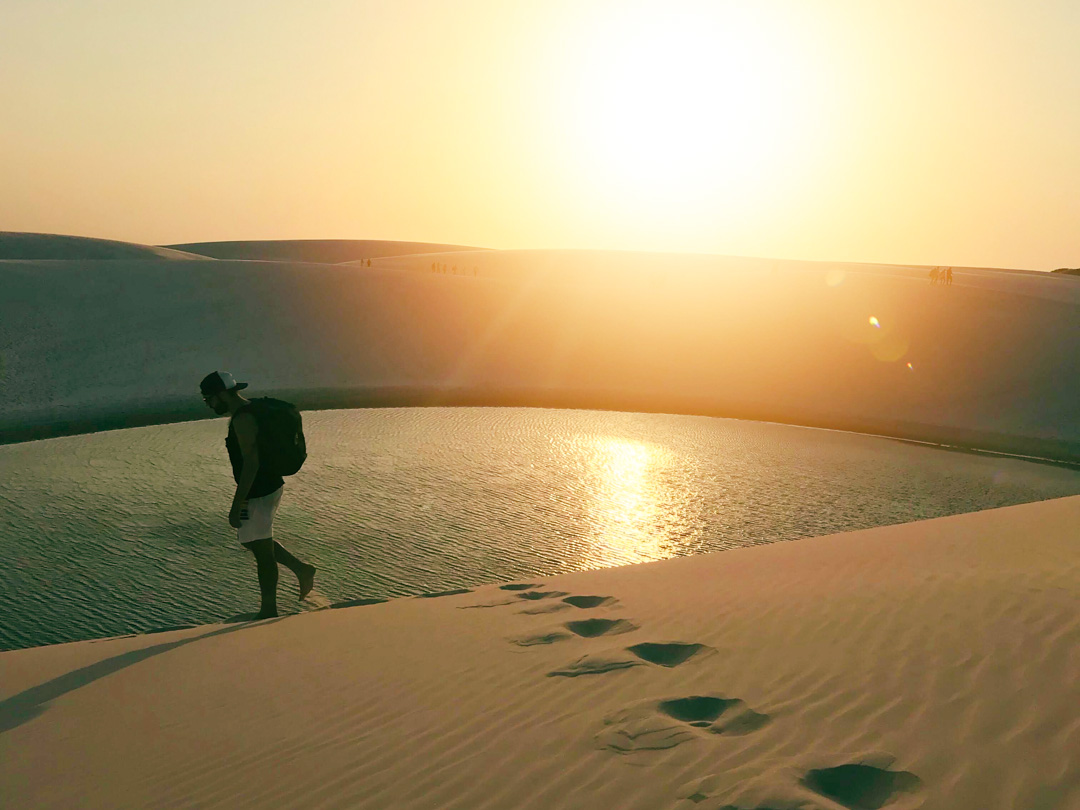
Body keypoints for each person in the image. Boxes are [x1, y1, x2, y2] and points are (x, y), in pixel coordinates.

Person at [200, 371, 315, 619]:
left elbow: (251, 463)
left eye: (209, 399)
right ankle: (301, 568)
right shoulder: (251, 410)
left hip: (260, 492)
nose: (209, 404)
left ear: (221, 395)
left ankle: (269, 610)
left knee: (262, 553)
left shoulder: (243, 419)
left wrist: (237, 503)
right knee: (249, 539)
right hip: (263, 488)